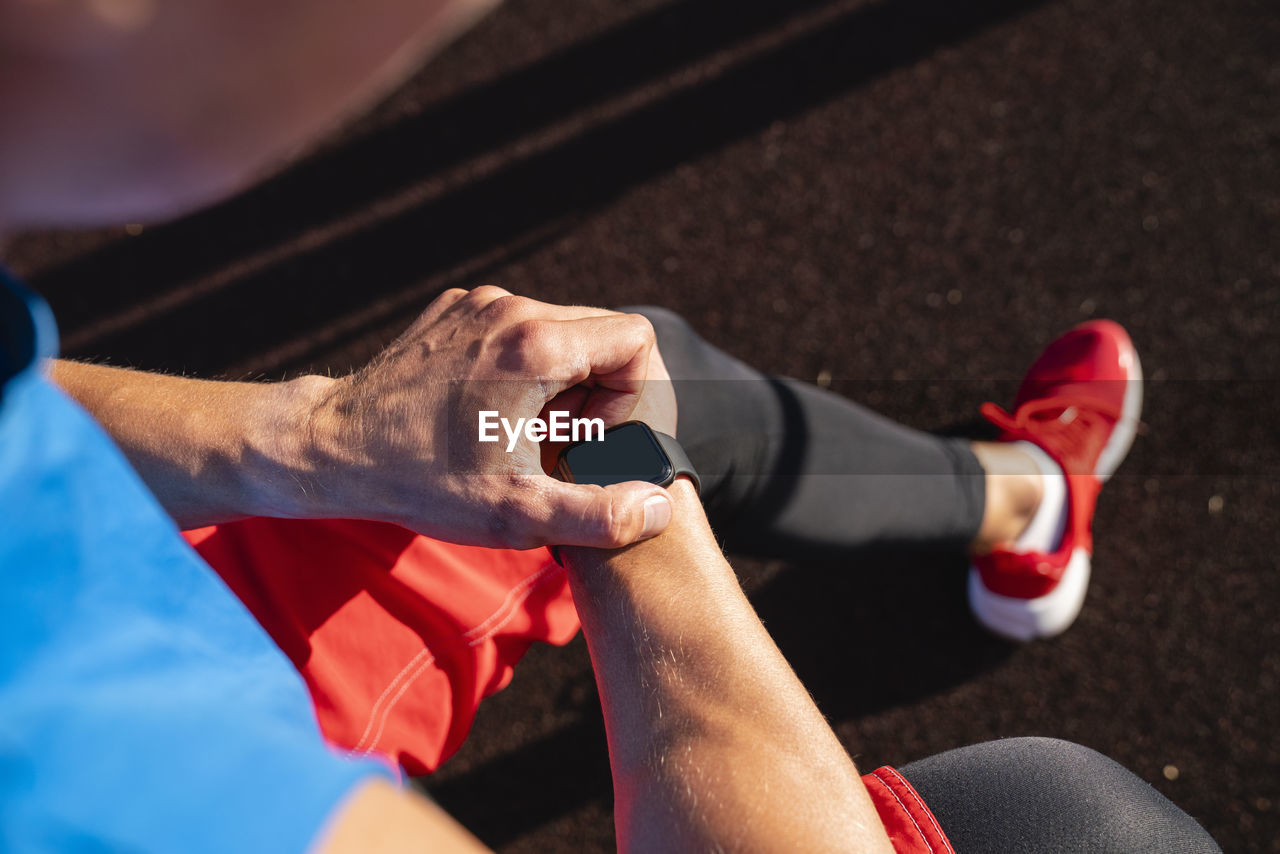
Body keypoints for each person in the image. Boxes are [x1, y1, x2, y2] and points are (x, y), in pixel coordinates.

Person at [0, 1, 1222, 852]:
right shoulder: (144, 788)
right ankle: (1028, 500)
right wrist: (636, 497)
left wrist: (321, 431)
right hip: (204, 696)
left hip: (88, 587)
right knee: (1080, 823)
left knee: (605, 384)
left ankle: (1019, 497)